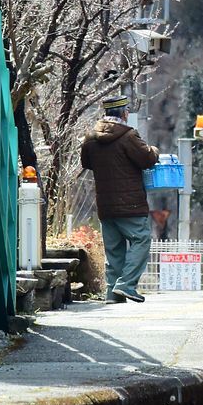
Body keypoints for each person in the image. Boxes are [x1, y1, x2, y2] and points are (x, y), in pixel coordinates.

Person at [80, 96, 159, 304]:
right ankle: (126, 284)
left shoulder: (90, 137)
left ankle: (112, 294)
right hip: (131, 204)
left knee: (114, 249)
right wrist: (154, 150)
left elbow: (86, 162)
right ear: (124, 113)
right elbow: (148, 159)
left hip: (105, 204)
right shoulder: (129, 136)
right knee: (141, 240)